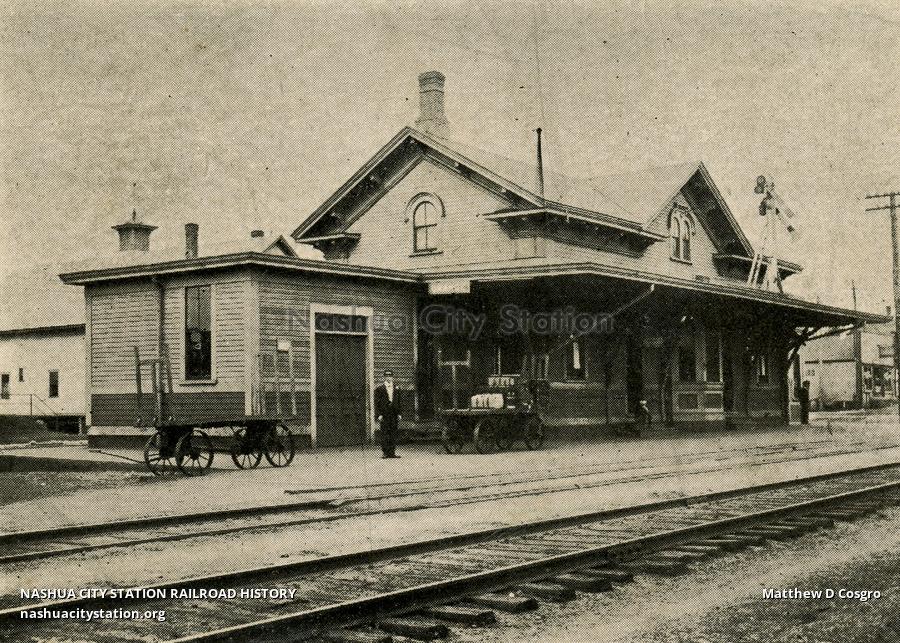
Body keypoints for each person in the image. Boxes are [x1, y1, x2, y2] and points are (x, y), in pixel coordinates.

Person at [374, 370, 402, 458]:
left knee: (393, 432)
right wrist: (379, 414)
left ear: (392, 377)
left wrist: (399, 413)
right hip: (384, 413)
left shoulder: (396, 388)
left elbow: (399, 401)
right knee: (385, 432)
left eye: (390, 376)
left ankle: (392, 452)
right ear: (384, 377)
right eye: (387, 376)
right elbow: (377, 403)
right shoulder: (380, 389)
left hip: (393, 413)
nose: (388, 378)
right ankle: (385, 452)